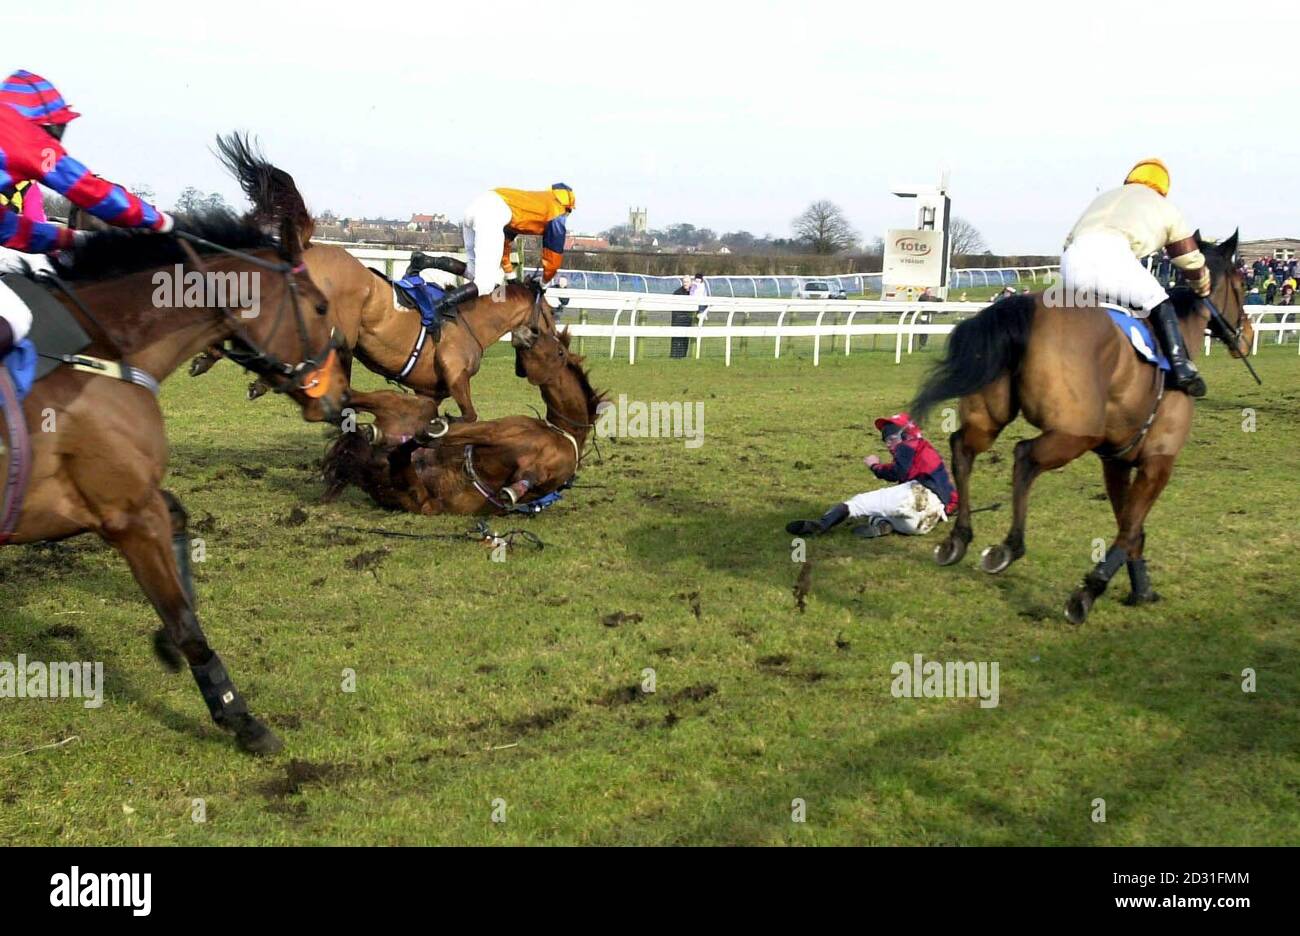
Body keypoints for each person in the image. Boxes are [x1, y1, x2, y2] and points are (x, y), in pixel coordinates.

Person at [0, 70, 172, 358]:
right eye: (55, 131)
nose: (57, 142)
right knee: (17, 317)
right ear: (40, 123)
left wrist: (76, 239)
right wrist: (160, 221)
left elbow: (11, 230)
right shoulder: (19, 132)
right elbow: (89, 190)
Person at [1059, 158, 1211, 397]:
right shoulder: (1164, 207)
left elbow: (1068, 241)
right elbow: (1187, 257)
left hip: (1072, 261)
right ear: (1163, 187)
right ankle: (1181, 368)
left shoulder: (1104, 198)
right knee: (1158, 301)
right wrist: (1201, 284)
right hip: (1113, 255)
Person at [406, 183, 575, 337]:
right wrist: (544, 283)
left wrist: (510, 276)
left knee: (473, 273)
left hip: (477, 207)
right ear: (568, 206)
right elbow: (553, 256)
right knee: (486, 284)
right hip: (491, 213)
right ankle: (435, 309)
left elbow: (504, 242)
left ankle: (423, 261)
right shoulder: (557, 211)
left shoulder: (535, 203)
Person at [784, 412, 957, 540]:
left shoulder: (910, 444)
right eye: (885, 440)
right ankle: (884, 526)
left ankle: (819, 526)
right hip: (924, 523)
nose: (888, 445)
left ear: (905, 435)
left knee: (858, 503)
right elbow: (954, 497)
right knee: (878, 512)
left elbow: (896, 472)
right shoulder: (931, 458)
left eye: (891, 438)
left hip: (918, 496)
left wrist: (875, 466)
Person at [670, 276, 691, 358]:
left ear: (690, 282)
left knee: (685, 338)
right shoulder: (677, 293)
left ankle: (683, 355)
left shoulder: (693, 292)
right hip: (678, 319)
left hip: (688, 319)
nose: (685, 283)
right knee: (677, 338)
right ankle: (674, 356)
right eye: (684, 282)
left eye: (687, 282)